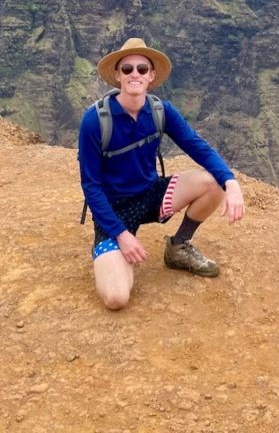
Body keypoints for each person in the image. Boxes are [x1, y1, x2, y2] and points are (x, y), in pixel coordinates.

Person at [78, 37, 245, 310]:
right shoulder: (95, 121)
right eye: (128, 69)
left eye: (142, 69)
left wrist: (231, 182)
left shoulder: (160, 111)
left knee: (213, 183)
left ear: (151, 75)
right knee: (116, 298)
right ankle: (115, 252)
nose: (135, 74)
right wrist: (121, 234)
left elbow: (196, 146)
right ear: (118, 75)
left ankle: (178, 246)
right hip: (113, 209)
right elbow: (91, 186)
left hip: (151, 194)